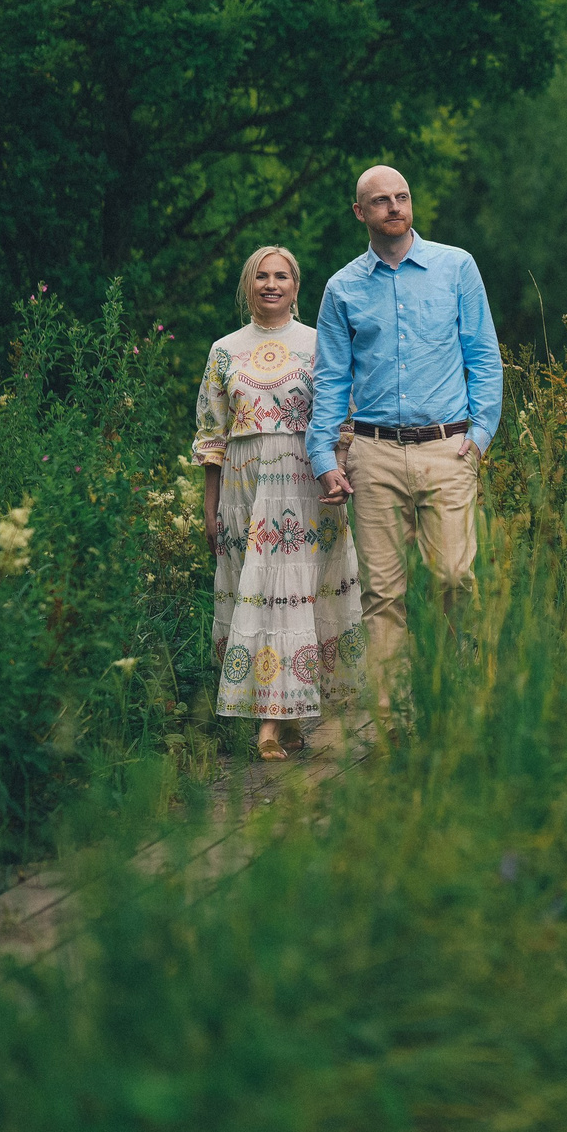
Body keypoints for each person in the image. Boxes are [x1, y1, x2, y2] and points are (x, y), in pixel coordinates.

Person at [308, 165, 502, 729]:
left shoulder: (456, 267)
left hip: (448, 448)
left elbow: (484, 357)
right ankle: (392, 719)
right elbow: (331, 379)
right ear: (360, 213)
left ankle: (460, 704)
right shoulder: (343, 288)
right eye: (381, 201)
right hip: (374, 454)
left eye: (402, 197)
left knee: (455, 578)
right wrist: (323, 457)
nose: (394, 207)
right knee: (383, 593)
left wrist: (479, 436)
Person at [192, 245, 364, 759]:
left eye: (281, 276)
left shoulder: (319, 344)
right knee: (257, 593)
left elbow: (345, 416)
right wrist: (210, 505)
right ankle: (284, 720)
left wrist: (339, 474)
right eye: (262, 276)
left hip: (304, 482)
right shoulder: (224, 351)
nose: (271, 284)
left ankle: (271, 724)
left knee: (292, 595)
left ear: (296, 286)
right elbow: (211, 434)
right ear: (248, 285)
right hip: (243, 487)